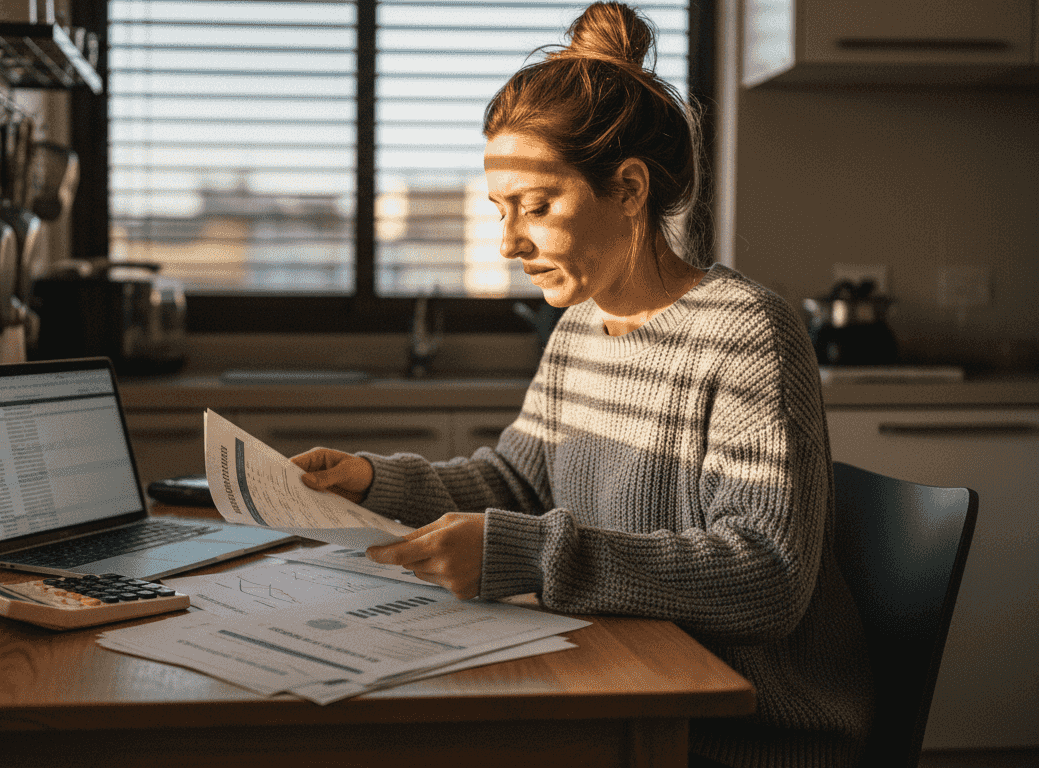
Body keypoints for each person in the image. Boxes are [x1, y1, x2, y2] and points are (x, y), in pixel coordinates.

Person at [291, 3, 874, 767]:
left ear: (628, 190)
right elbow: (516, 483)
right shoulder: (580, 327)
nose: (509, 243)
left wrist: (530, 558)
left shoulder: (747, 333)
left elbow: (766, 577)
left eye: (537, 207)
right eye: (501, 211)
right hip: (615, 683)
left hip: (734, 737)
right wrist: (374, 482)